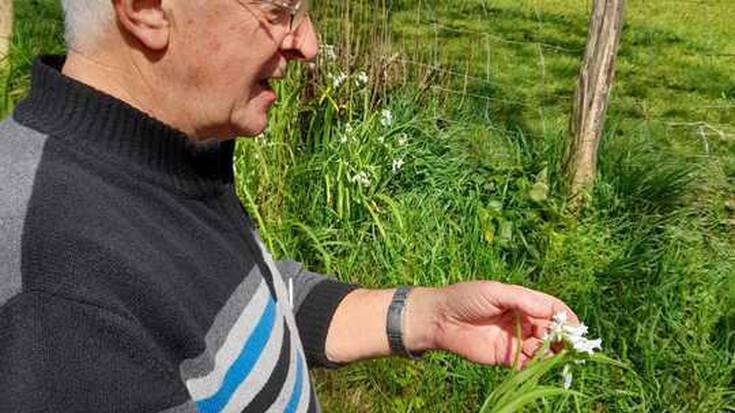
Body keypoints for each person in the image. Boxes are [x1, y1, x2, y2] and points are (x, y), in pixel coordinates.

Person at [0, 1, 579, 411]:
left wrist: (429, 317)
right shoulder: (55, 296)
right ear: (148, 8)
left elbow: (246, 304)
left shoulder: (160, 156)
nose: (308, 43)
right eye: (279, 10)